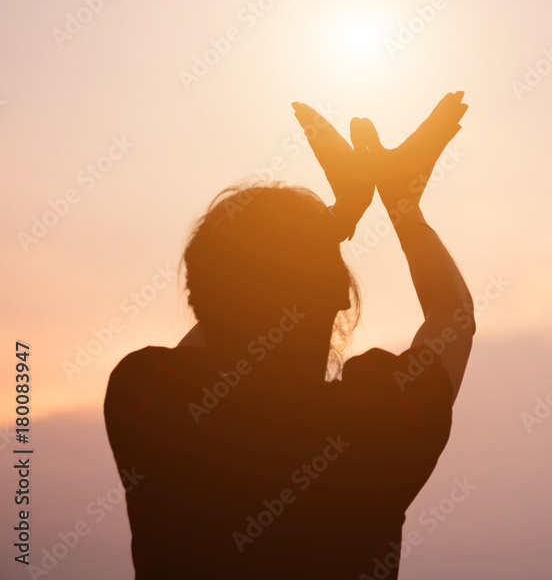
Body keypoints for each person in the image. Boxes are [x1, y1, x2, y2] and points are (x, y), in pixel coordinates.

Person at [103, 92, 476, 579]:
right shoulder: (374, 426)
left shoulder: (148, 397)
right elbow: (453, 317)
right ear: (341, 297)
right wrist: (404, 208)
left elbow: (214, 317)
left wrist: (331, 227)